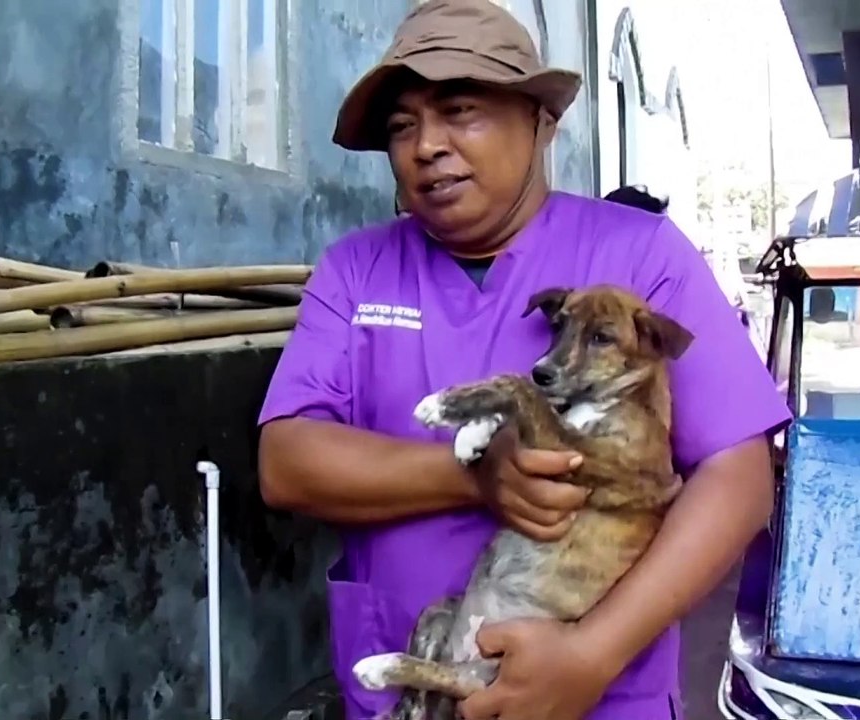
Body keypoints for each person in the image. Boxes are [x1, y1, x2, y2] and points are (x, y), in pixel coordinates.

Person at [256, 1, 791, 718]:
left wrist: (593, 653)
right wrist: (472, 477)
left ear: (542, 122)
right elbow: (286, 461)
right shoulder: (356, 270)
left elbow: (739, 476)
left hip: (597, 694)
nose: (427, 146)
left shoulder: (639, 255)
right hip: (416, 682)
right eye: (402, 125)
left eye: (461, 110)